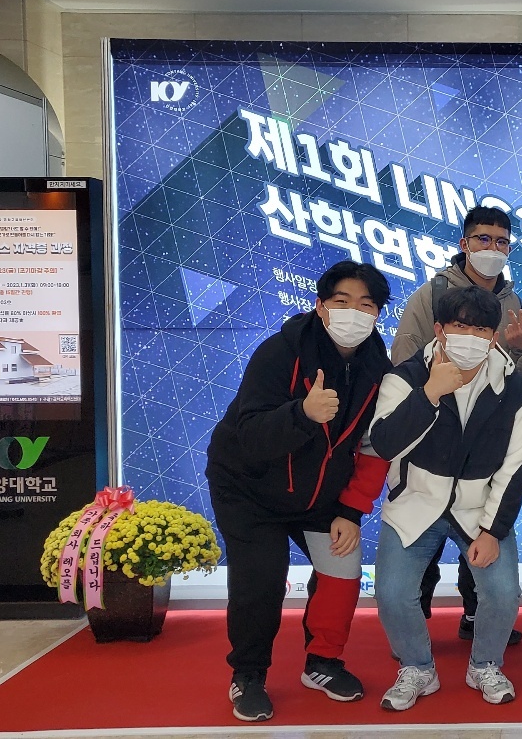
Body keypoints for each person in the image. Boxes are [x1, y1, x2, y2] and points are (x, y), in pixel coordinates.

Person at [206, 261, 394, 722]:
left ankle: (322, 663)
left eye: (366, 305)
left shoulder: (378, 366)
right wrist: (302, 414)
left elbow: (374, 447)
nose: (354, 313)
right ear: (320, 306)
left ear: (378, 314)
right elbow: (250, 435)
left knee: (342, 569)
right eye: (342, 302)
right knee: (261, 580)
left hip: (320, 496)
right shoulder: (279, 353)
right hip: (249, 489)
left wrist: (352, 510)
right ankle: (248, 674)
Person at [368, 285, 522, 712]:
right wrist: (429, 394)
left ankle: (485, 664)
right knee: (391, 592)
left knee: (503, 592)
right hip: (415, 503)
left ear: (494, 337)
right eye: (460, 326)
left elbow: (517, 465)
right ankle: (417, 668)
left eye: (480, 329)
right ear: (440, 330)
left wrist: (493, 531)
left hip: (479, 510)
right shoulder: (405, 377)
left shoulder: (516, 391)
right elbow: (384, 443)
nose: (470, 337)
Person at [390, 205, 522, 647]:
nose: (492, 248)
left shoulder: (515, 303)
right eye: (483, 239)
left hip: (484, 438)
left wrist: (520, 348)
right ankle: (414, 633)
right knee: (422, 539)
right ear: (464, 243)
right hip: (432, 429)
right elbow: (403, 357)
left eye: (501, 241)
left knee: (475, 531)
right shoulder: (432, 293)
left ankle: (476, 619)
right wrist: (426, 397)